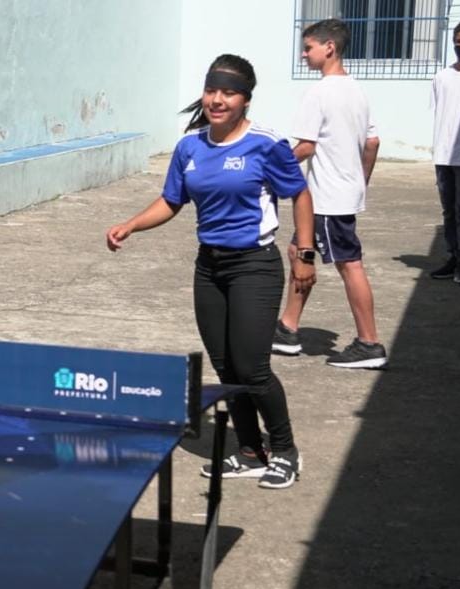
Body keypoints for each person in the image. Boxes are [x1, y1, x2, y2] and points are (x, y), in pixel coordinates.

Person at [105, 55, 314, 490]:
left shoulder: (266, 144)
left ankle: (286, 451)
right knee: (225, 367)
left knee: (252, 366)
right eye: (212, 90)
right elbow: (171, 201)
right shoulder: (190, 146)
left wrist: (304, 252)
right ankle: (251, 451)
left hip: (254, 265)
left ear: (245, 100)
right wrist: (131, 224)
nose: (217, 100)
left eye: (229, 92)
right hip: (210, 265)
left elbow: (299, 193)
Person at [273, 19, 387, 369]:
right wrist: (359, 181)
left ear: (329, 48)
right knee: (297, 251)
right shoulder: (356, 90)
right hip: (341, 193)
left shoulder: (319, 92)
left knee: (349, 264)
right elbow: (373, 142)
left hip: (325, 199)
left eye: (308, 48)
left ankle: (369, 343)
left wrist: (270, 170)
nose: (304, 54)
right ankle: (288, 329)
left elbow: (305, 147)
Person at [429, 19, 460, 286]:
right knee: (448, 211)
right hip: (443, 155)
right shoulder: (442, 77)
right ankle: (451, 257)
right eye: (458, 41)